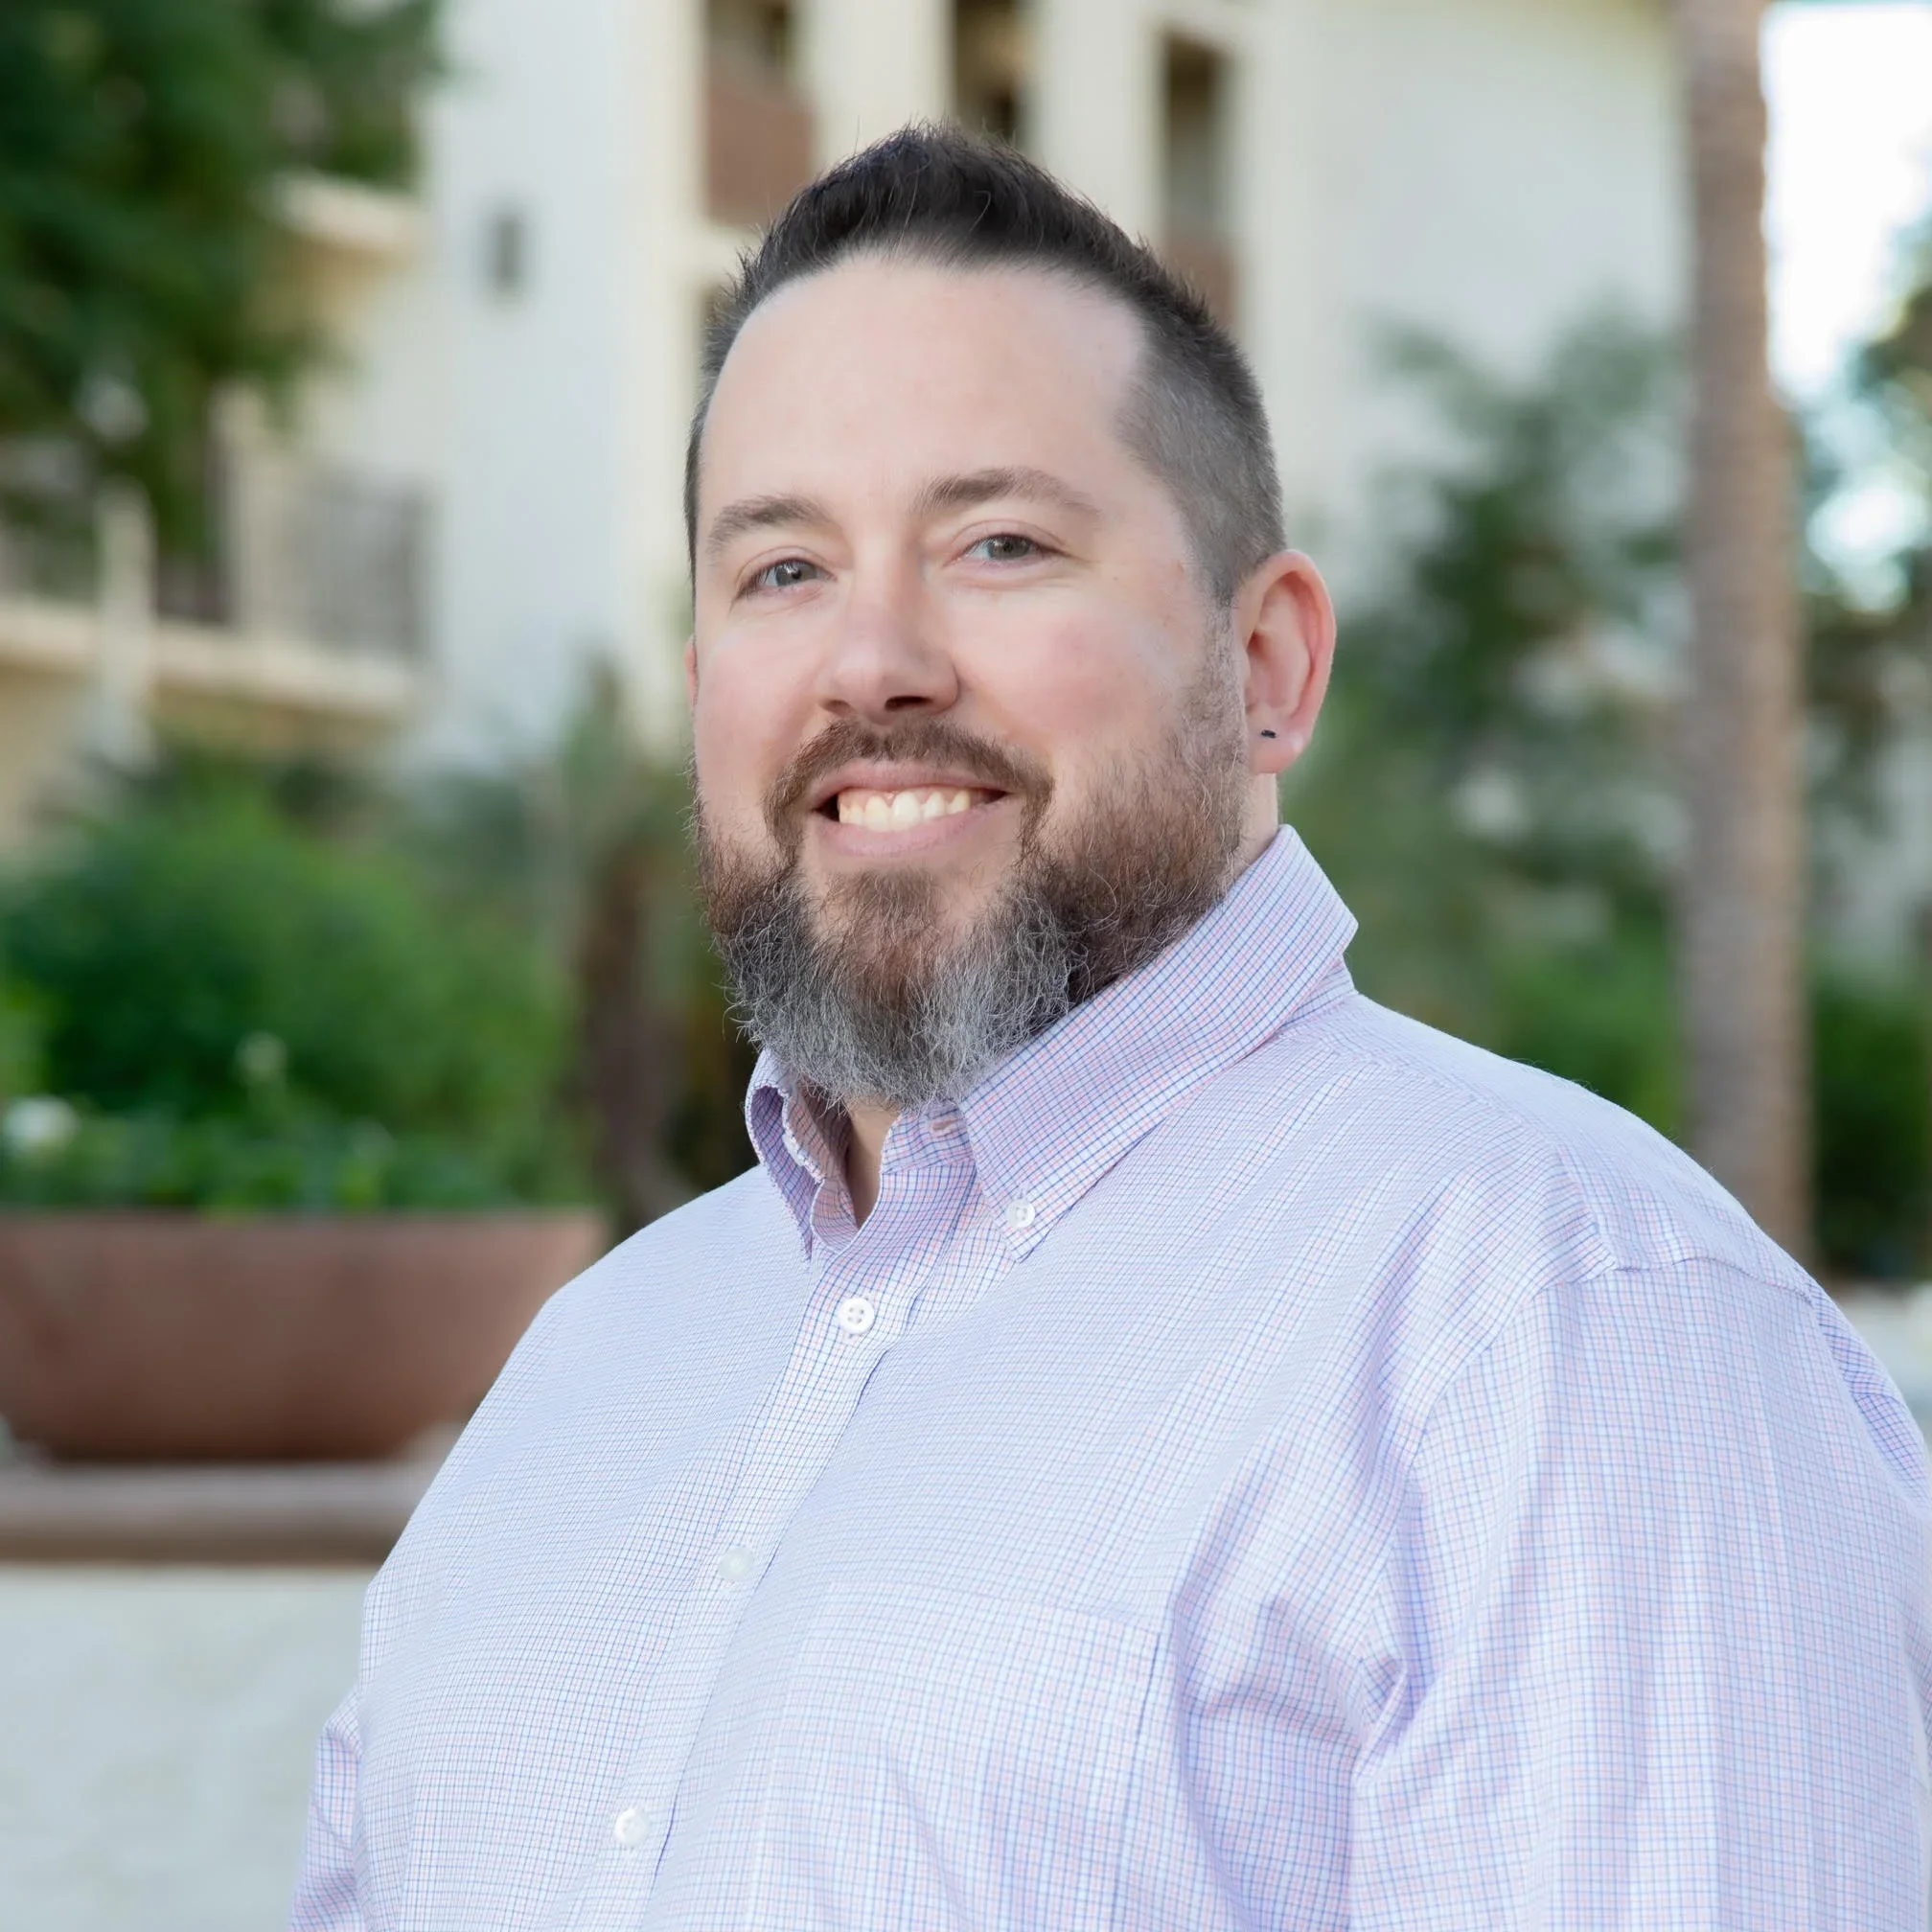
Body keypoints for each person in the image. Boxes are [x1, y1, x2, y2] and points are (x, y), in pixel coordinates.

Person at [292, 127, 1932, 1931]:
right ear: (706, 694)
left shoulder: (1570, 1334)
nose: (871, 663)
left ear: (1269, 666)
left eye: (999, 543)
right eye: (782, 572)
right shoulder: (592, 1369)